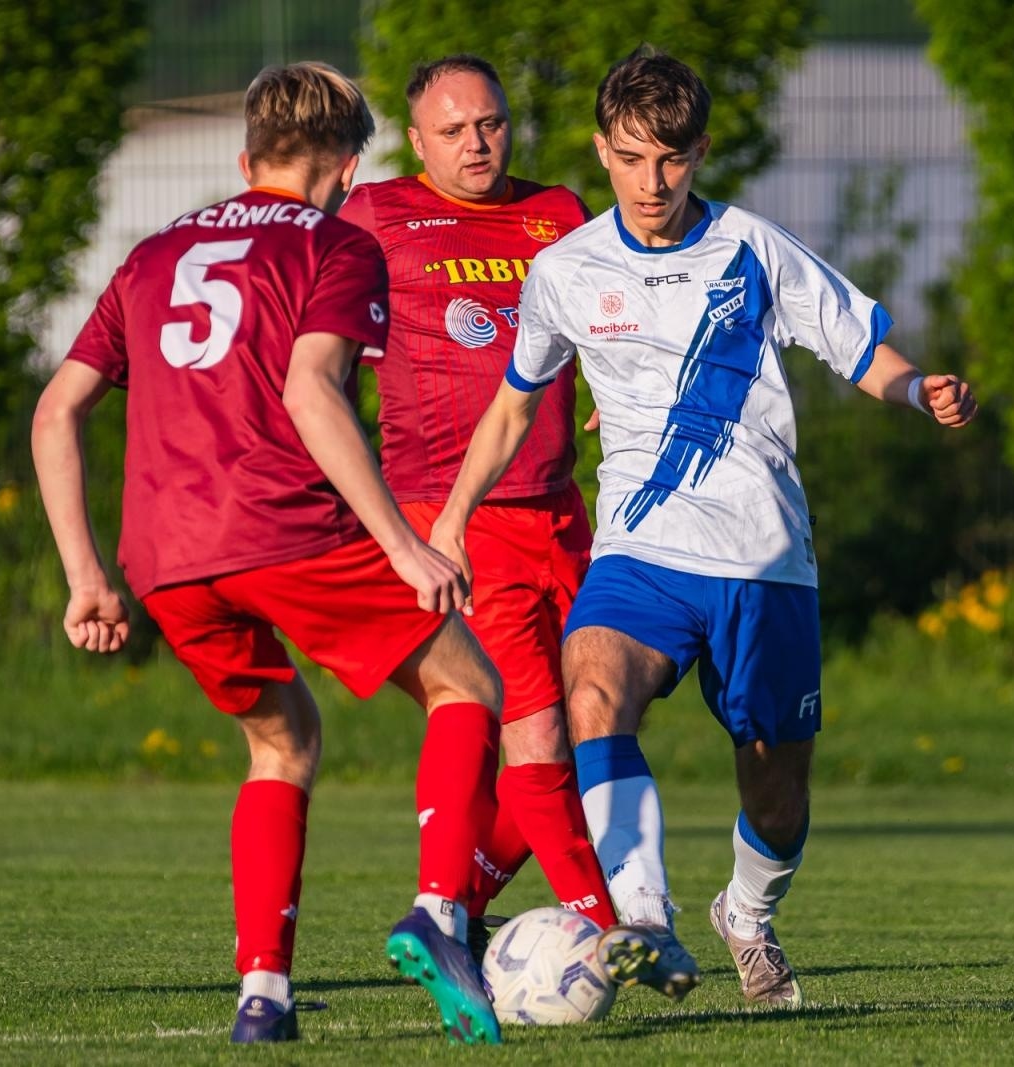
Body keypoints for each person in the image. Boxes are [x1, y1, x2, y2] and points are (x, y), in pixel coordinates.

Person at [431, 48, 978, 1008]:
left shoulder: (753, 250)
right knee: (591, 685)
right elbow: (516, 404)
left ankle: (748, 915)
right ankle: (644, 921)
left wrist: (914, 388)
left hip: (763, 555)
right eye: (635, 158)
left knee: (775, 782)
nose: (654, 182)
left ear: (701, 153)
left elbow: (860, 348)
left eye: (673, 160)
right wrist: (450, 517)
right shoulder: (564, 270)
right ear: (604, 150)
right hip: (641, 548)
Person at [31, 62, 503, 1045]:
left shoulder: (154, 253)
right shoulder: (339, 242)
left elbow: (56, 410)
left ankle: (264, 996)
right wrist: (406, 545)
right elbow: (310, 393)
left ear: (247, 158)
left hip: (165, 555)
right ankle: (441, 913)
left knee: (281, 738)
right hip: (282, 524)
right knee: (470, 688)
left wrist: (86, 573)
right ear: (346, 160)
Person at [337, 54, 616, 951]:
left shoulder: (561, 213)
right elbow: (317, 350)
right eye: (453, 130)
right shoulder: (376, 216)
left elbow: (606, 316)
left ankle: (449, 908)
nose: (476, 143)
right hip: (452, 517)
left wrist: (613, 378)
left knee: (590, 720)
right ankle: (611, 929)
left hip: (562, 509)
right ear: (416, 142)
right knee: (531, 731)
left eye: (489, 123)